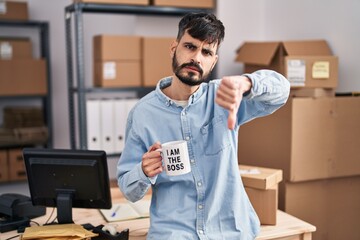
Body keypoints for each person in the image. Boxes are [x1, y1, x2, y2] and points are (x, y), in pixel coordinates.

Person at [117, 12, 290, 240]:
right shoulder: (142, 114)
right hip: (173, 233)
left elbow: (282, 91)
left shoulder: (225, 96)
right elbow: (128, 190)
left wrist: (248, 83)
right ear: (174, 48)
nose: (196, 58)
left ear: (213, 61)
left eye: (206, 52)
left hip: (231, 231)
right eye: (190, 46)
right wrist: (143, 171)